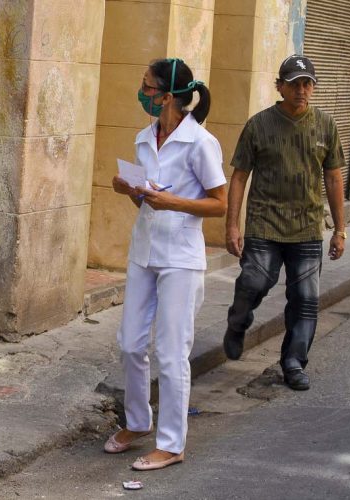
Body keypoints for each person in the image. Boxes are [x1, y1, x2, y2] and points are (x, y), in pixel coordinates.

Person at [104, 58, 227, 471]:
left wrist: (170, 201)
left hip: (181, 258)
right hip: (145, 251)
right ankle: (138, 422)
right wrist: (130, 190)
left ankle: (172, 444)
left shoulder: (200, 142)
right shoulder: (144, 137)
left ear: (169, 97)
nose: (143, 94)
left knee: (172, 352)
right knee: (131, 343)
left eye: (148, 88)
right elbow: (147, 196)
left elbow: (220, 203)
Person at [222, 55, 346, 391]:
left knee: (306, 298)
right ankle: (238, 321)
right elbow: (239, 176)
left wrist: (340, 229)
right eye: (294, 84)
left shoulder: (326, 126)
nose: (301, 90)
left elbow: (333, 179)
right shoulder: (259, 125)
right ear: (280, 86)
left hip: (306, 228)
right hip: (265, 223)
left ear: (313, 88)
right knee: (254, 281)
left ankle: (293, 361)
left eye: (307, 84)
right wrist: (232, 225)